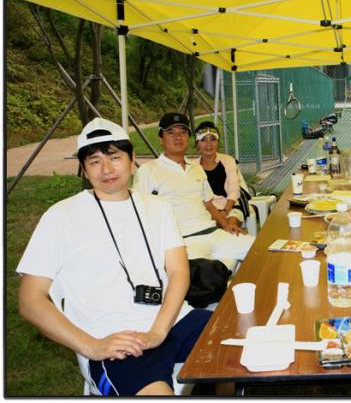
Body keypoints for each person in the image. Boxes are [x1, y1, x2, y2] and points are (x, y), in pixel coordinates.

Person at [17, 118, 211, 396]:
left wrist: (158, 332)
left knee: (236, 344)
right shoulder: (61, 217)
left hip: (174, 321)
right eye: (95, 161)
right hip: (116, 341)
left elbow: (179, 272)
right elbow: (30, 300)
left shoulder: (158, 207)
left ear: (132, 161)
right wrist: (93, 346)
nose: (106, 169)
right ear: (84, 169)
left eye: (115, 157)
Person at [133, 113, 254, 272]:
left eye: (183, 132)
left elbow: (208, 204)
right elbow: (138, 214)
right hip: (183, 241)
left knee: (262, 248)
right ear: (161, 139)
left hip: (213, 233)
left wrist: (226, 224)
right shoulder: (148, 170)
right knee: (207, 274)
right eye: (171, 132)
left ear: (189, 138)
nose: (178, 137)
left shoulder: (196, 168)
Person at [192, 121, 249, 224]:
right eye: (203, 139)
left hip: (231, 207)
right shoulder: (193, 167)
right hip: (207, 211)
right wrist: (216, 215)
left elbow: (234, 191)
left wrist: (225, 211)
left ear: (218, 142)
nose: (209, 144)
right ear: (197, 144)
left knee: (230, 227)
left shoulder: (228, 161)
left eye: (213, 139)